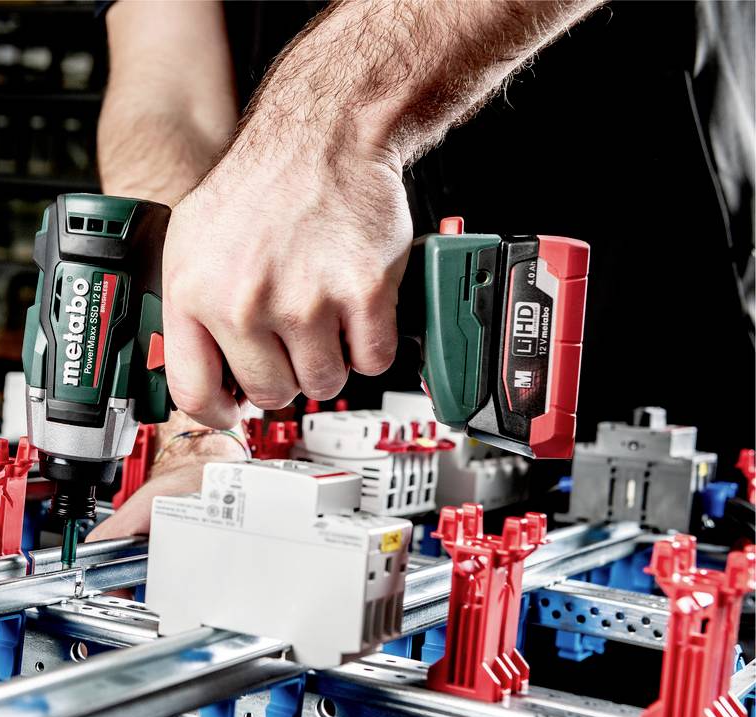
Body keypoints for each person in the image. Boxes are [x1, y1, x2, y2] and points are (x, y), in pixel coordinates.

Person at [89, 0, 756, 541]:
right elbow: (167, 98)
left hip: (652, 333)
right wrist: (202, 429)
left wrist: (324, 133)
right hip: (345, 391)